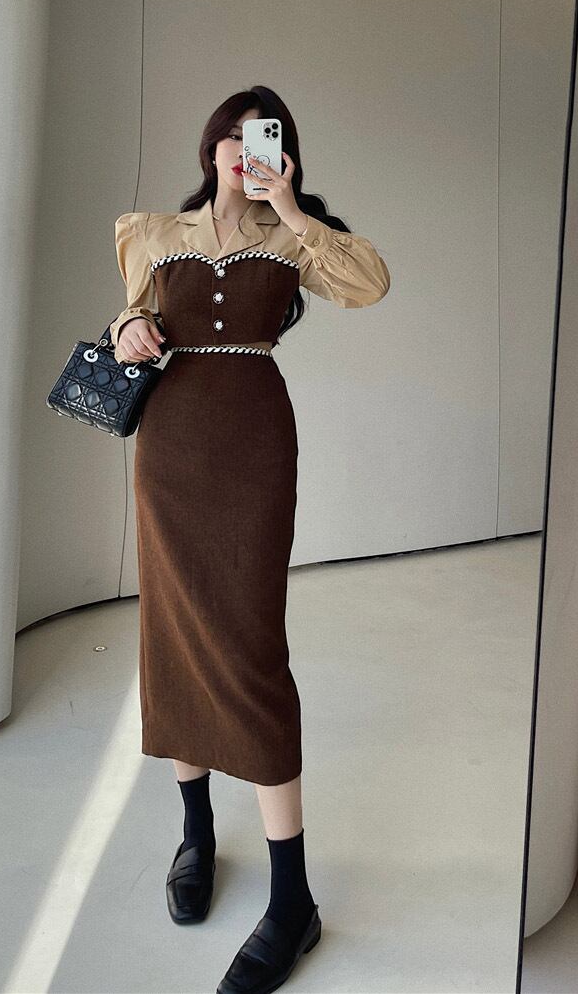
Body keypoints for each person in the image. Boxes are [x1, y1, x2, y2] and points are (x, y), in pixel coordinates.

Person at [110, 86, 390, 994]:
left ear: (281, 150)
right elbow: (127, 321)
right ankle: (196, 834)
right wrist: (128, 328)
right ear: (210, 147)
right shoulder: (154, 232)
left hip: (256, 449)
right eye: (230, 134)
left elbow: (370, 284)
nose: (242, 147)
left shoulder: (293, 238)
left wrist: (294, 210)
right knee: (175, 637)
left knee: (253, 649)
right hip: (170, 455)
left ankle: (292, 899)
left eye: (259, 135)